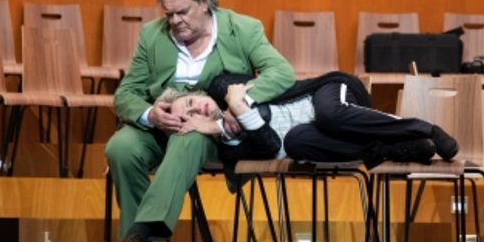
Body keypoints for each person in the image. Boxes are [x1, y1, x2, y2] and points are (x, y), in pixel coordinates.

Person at [101, 0, 295, 242]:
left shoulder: (243, 29)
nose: (174, 21)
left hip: (209, 127)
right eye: (169, 14)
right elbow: (126, 93)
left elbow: (282, 73)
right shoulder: (152, 34)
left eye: (182, 12)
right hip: (160, 124)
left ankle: (137, 237)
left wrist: (238, 102)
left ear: (204, 1)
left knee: (188, 136)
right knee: (120, 147)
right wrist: (151, 114)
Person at [176, 71, 460, 168]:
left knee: (328, 115)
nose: (197, 111)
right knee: (295, 142)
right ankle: (393, 149)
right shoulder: (228, 149)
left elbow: (249, 82)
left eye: (190, 103)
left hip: (326, 95)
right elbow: (270, 144)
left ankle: (425, 129)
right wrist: (224, 125)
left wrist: (235, 105)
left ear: (198, 95)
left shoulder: (221, 87)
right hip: (319, 135)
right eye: (189, 117)